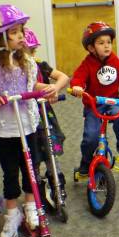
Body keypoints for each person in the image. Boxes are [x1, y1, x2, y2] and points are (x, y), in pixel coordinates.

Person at [0, 4, 55, 237]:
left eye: (21, 30)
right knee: (10, 172)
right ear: (0, 37)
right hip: (4, 128)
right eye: (14, 32)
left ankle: (31, 207)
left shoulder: (27, 61)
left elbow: (32, 87)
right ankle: (12, 213)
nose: (21, 36)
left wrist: (46, 89)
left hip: (27, 123)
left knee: (31, 167)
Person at [70, 21, 119, 176]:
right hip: (94, 104)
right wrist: (77, 87)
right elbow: (78, 77)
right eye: (101, 43)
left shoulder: (116, 62)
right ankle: (86, 161)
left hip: (113, 101)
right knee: (90, 137)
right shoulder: (87, 63)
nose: (107, 46)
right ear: (91, 47)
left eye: (109, 42)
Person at [23, 28, 70, 203]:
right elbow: (30, 85)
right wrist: (46, 88)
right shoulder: (16, 69)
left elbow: (63, 77)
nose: (31, 55)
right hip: (26, 115)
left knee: (50, 148)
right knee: (32, 153)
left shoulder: (38, 63)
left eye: (33, 51)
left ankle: (57, 181)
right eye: (28, 51)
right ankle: (35, 187)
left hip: (44, 113)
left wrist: (55, 88)